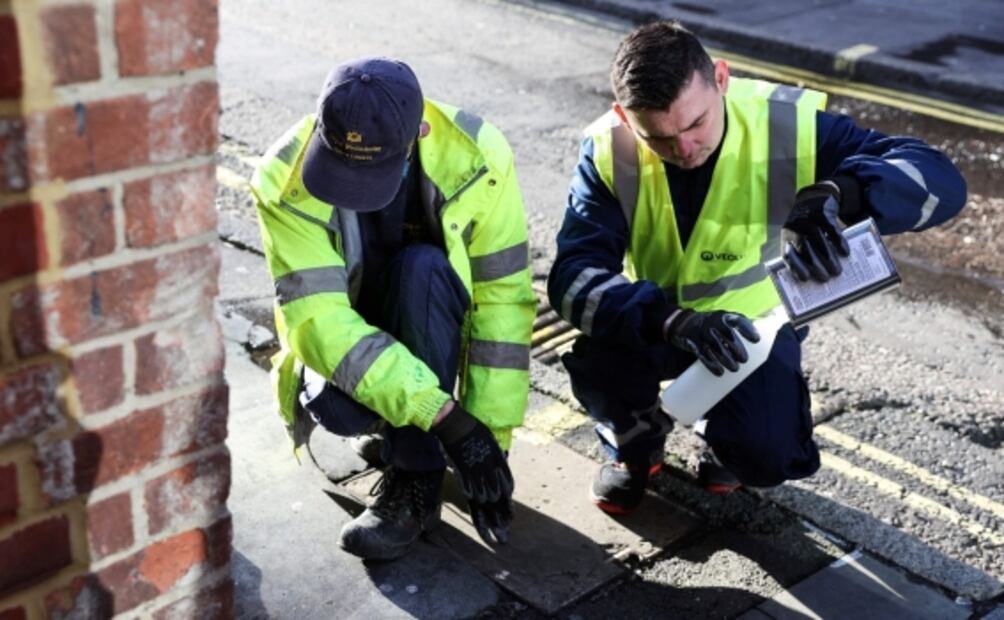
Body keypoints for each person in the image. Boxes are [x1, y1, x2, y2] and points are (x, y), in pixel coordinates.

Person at [547, 21, 966, 514]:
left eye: (695, 123)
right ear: (624, 115)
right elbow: (573, 278)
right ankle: (634, 441)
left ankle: (720, 434)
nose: (684, 150)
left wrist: (838, 193)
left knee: (766, 457)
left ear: (720, 79)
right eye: (658, 138)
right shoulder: (608, 149)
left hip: (755, 332)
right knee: (600, 359)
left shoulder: (787, 123)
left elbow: (941, 181)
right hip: (660, 324)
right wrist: (672, 321)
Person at [250, 56, 535, 559]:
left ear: (419, 132)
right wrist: (445, 418)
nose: (355, 194)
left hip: (430, 312)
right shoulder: (282, 179)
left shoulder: (479, 158)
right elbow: (321, 323)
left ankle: (411, 454)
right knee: (337, 406)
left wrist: (486, 439)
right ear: (321, 127)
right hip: (347, 344)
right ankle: (417, 469)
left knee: (420, 269)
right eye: (341, 171)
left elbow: (503, 303)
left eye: (372, 174)